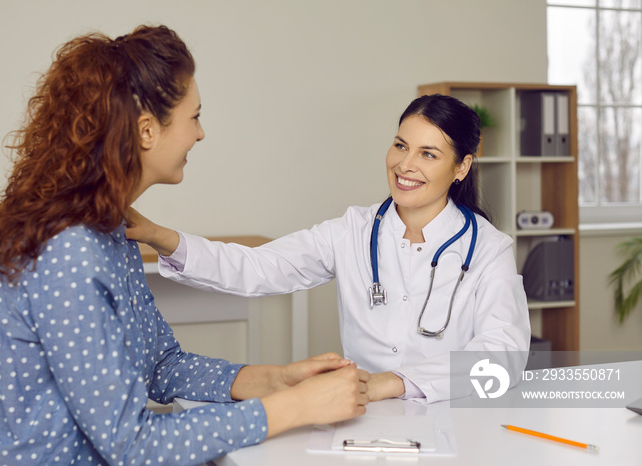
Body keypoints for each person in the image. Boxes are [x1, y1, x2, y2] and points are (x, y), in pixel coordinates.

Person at [0, 25, 371, 466]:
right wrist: (293, 409)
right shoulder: (68, 253)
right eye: (195, 116)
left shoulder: (111, 230)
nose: (200, 134)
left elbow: (160, 366)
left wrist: (273, 381)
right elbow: (131, 444)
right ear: (147, 130)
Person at [126, 93, 531, 404]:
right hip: (364, 417)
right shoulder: (353, 231)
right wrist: (163, 237)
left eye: (428, 154)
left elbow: (504, 355)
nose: (406, 165)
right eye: (400, 145)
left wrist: (394, 382)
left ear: (461, 167)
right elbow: (259, 267)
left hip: (455, 424)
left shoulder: (488, 249)